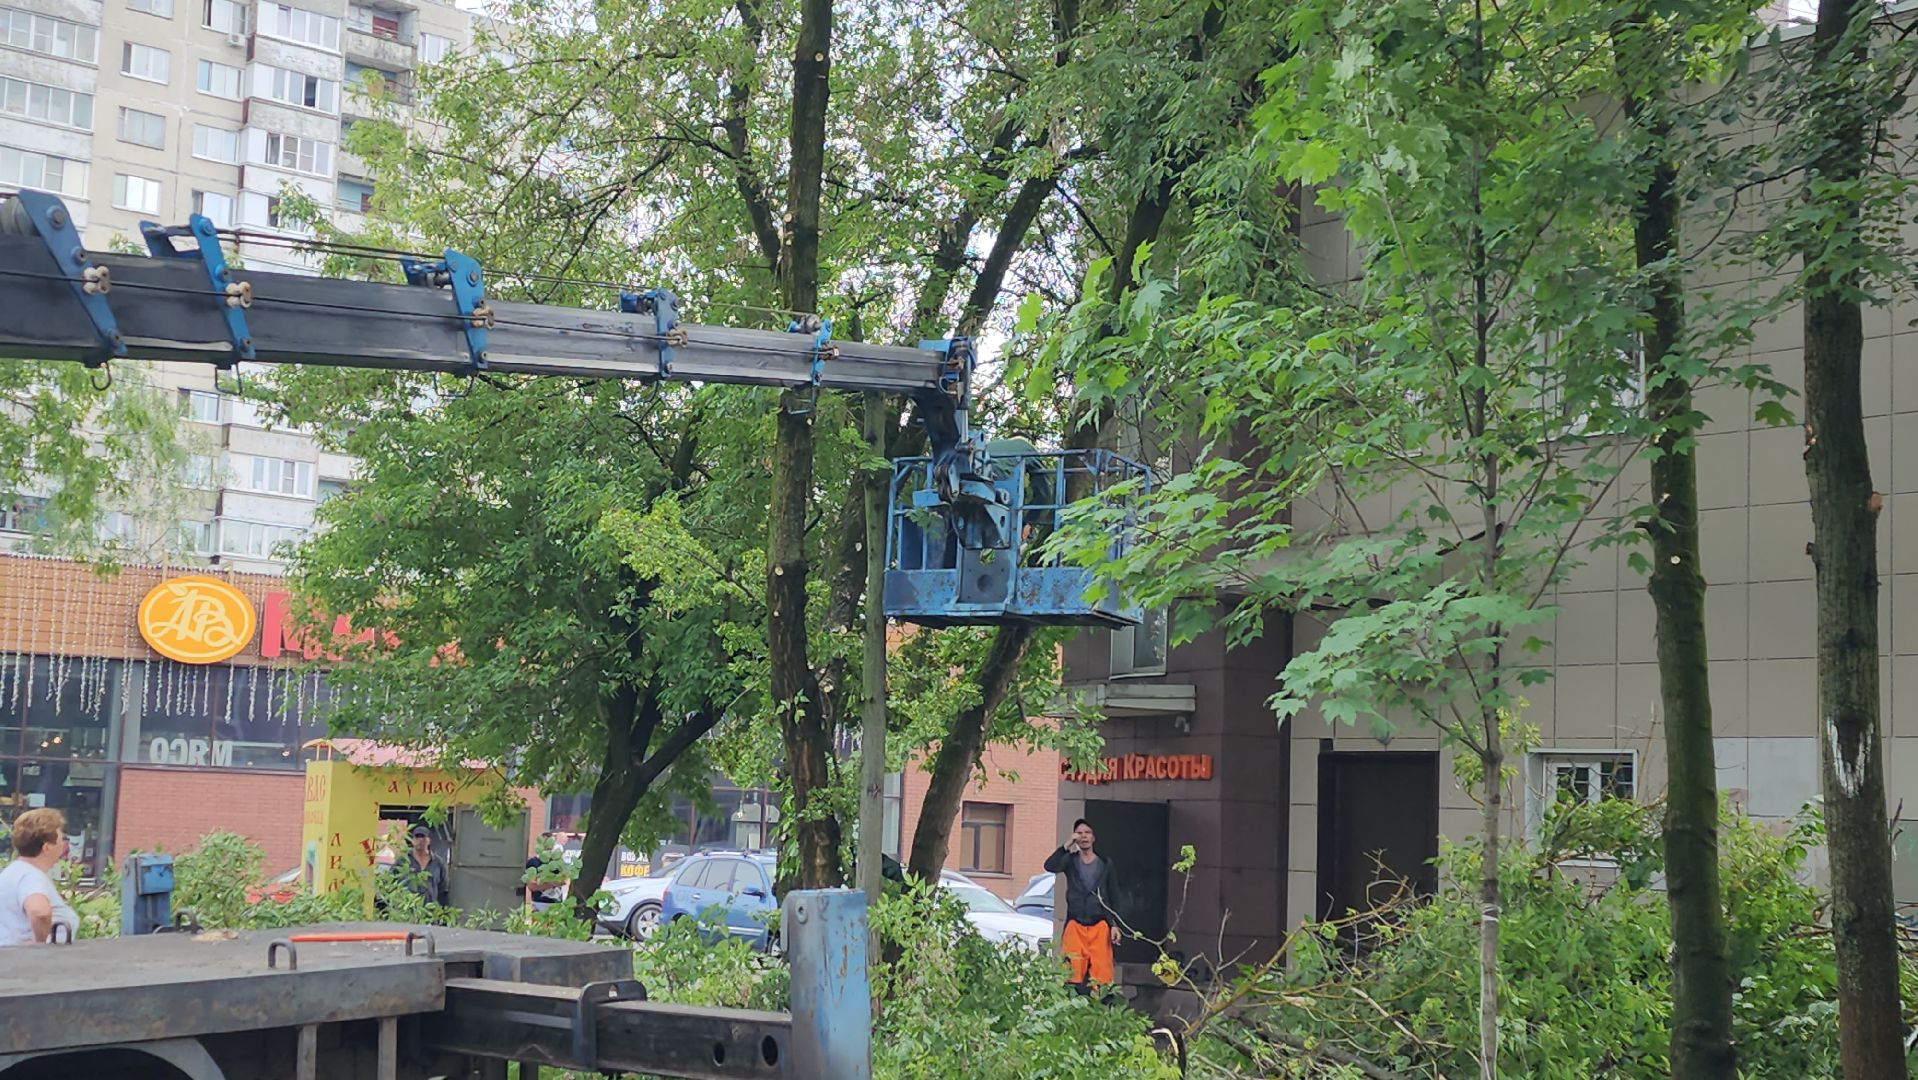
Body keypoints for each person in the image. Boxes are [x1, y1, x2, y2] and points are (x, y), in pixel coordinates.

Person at [1043, 818, 1120, 991]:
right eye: (1079, 833)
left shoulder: (1105, 864)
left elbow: (1114, 895)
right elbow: (1050, 866)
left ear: (1094, 838)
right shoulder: (1069, 861)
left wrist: (1114, 925)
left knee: (1102, 976)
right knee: (1070, 974)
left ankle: (1100, 1010)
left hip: (1100, 924)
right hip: (1075, 923)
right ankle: (1072, 1009)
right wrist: (1066, 845)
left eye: (1088, 833)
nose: (1084, 836)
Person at [0, 808, 79, 946]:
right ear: (47, 847)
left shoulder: (11, 872)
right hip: (32, 963)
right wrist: (41, 946)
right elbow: (39, 912)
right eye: (61, 840)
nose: (63, 845)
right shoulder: (31, 877)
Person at [399, 823, 450, 908]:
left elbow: (443, 889)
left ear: (429, 840)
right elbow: (391, 883)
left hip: (429, 911)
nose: (420, 840)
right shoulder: (403, 861)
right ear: (412, 840)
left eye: (423, 837)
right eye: (417, 837)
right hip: (407, 910)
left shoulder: (438, 863)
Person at [525, 832, 566, 907]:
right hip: (539, 902)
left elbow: (563, 880)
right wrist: (551, 883)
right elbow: (531, 885)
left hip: (557, 902)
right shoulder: (534, 862)